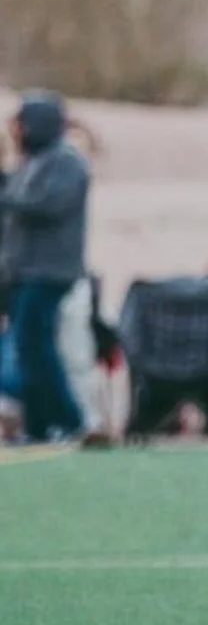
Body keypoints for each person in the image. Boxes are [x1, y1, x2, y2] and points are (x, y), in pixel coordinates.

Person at [0, 92, 91, 444]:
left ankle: (69, 418)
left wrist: (5, 196)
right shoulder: (31, 163)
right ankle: (39, 425)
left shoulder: (66, 162)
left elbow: (47, 205)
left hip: (49, 271)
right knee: (27, 349)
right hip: (22, 272)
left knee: (36, 347)